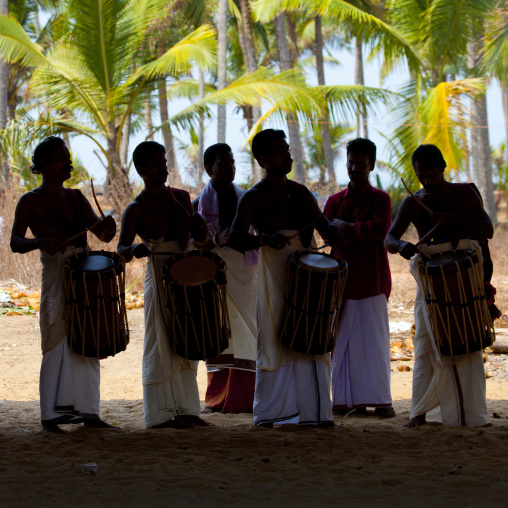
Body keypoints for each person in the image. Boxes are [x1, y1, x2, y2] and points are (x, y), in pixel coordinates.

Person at [229, 129, 339, 428]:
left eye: (287, 148)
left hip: (307, 270)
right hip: (275, 269)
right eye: (279, 150)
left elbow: (325, 228)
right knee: (278, 334)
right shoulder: (253, 197)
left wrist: (340, 230)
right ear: (264, 159)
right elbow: (235, 237)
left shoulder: (302, 192)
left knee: (311, 331)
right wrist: (264, 239)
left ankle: (315, 413)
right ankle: (274, 414)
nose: (287, 154)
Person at [10, 136, 117, 434]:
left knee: (88, 337)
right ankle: (51, 415)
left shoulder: (76, 197)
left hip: (83, 272)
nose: (68, 161)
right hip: (56, 273)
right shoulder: (30, 200)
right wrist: (42, 242)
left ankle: (89, 413)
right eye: (60, 157)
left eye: (68, 157)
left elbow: (103, 236)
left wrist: (109, 227)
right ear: (43, 164)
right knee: (56, 338)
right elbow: (15, 242)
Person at [385, 144, 494, 427]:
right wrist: (401, 246)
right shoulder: (413, 202)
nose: (428, 181)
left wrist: (454, 220)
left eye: (433, 174)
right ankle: (419, 413)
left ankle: (471, 416)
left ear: (443, 168)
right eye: (422, 176)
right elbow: (389, 238)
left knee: (466, 342)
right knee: (426, 341)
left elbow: (487, 229)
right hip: (430, 280)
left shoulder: (464, 193)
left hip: (464, 279)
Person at [117, 141, 211, 429]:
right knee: (160, 338)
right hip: (158, 274)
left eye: (165, 162)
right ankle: (159, 415)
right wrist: (135, 250)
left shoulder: (182, 199)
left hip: (184, 272)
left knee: (187, 336)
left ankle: (188, 412)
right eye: (157, 164)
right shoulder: (136, 208)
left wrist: (200, 229)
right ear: (141, 170)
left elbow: (202, 240)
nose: (164, 168)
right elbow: (121, 249)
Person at [324, 138, 395, 417]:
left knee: (374, 342)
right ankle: (344, 401)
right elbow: (328, 232)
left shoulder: (381, 199)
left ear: (372, 166)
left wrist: (347, 228)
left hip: (372, 279)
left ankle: (380, 401)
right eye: (351, 163)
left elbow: (379, 230)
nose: (355, 168)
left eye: (362, 164)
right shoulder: (333, 202)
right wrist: (354, 230)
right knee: (342, 342)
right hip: (341, 283)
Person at [192, 143, 258, 414]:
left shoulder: (247, 199)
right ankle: (218, 398)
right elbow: (192, 242)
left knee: (249, 331)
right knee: (219, 333)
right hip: (215, 275)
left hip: (245, 273)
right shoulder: (198, 204)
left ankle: (246, 397)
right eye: (223, 163)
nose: (231, 167)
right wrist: (214, 240)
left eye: (232, 162)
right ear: (209, 168)